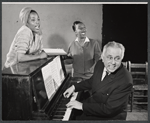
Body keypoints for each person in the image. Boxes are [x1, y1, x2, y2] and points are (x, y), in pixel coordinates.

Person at [63, 41, 133, 120]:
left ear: (121, 59)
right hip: (97, 104)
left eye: (117, 58)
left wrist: (82, 106)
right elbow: (92, 81)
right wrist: (74, 87)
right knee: (74, 114)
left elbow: (108, 109)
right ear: (102, 57)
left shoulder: (126, 81)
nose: (113, 62)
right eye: (109, 57)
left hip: (110, 116)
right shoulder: (100, 64)